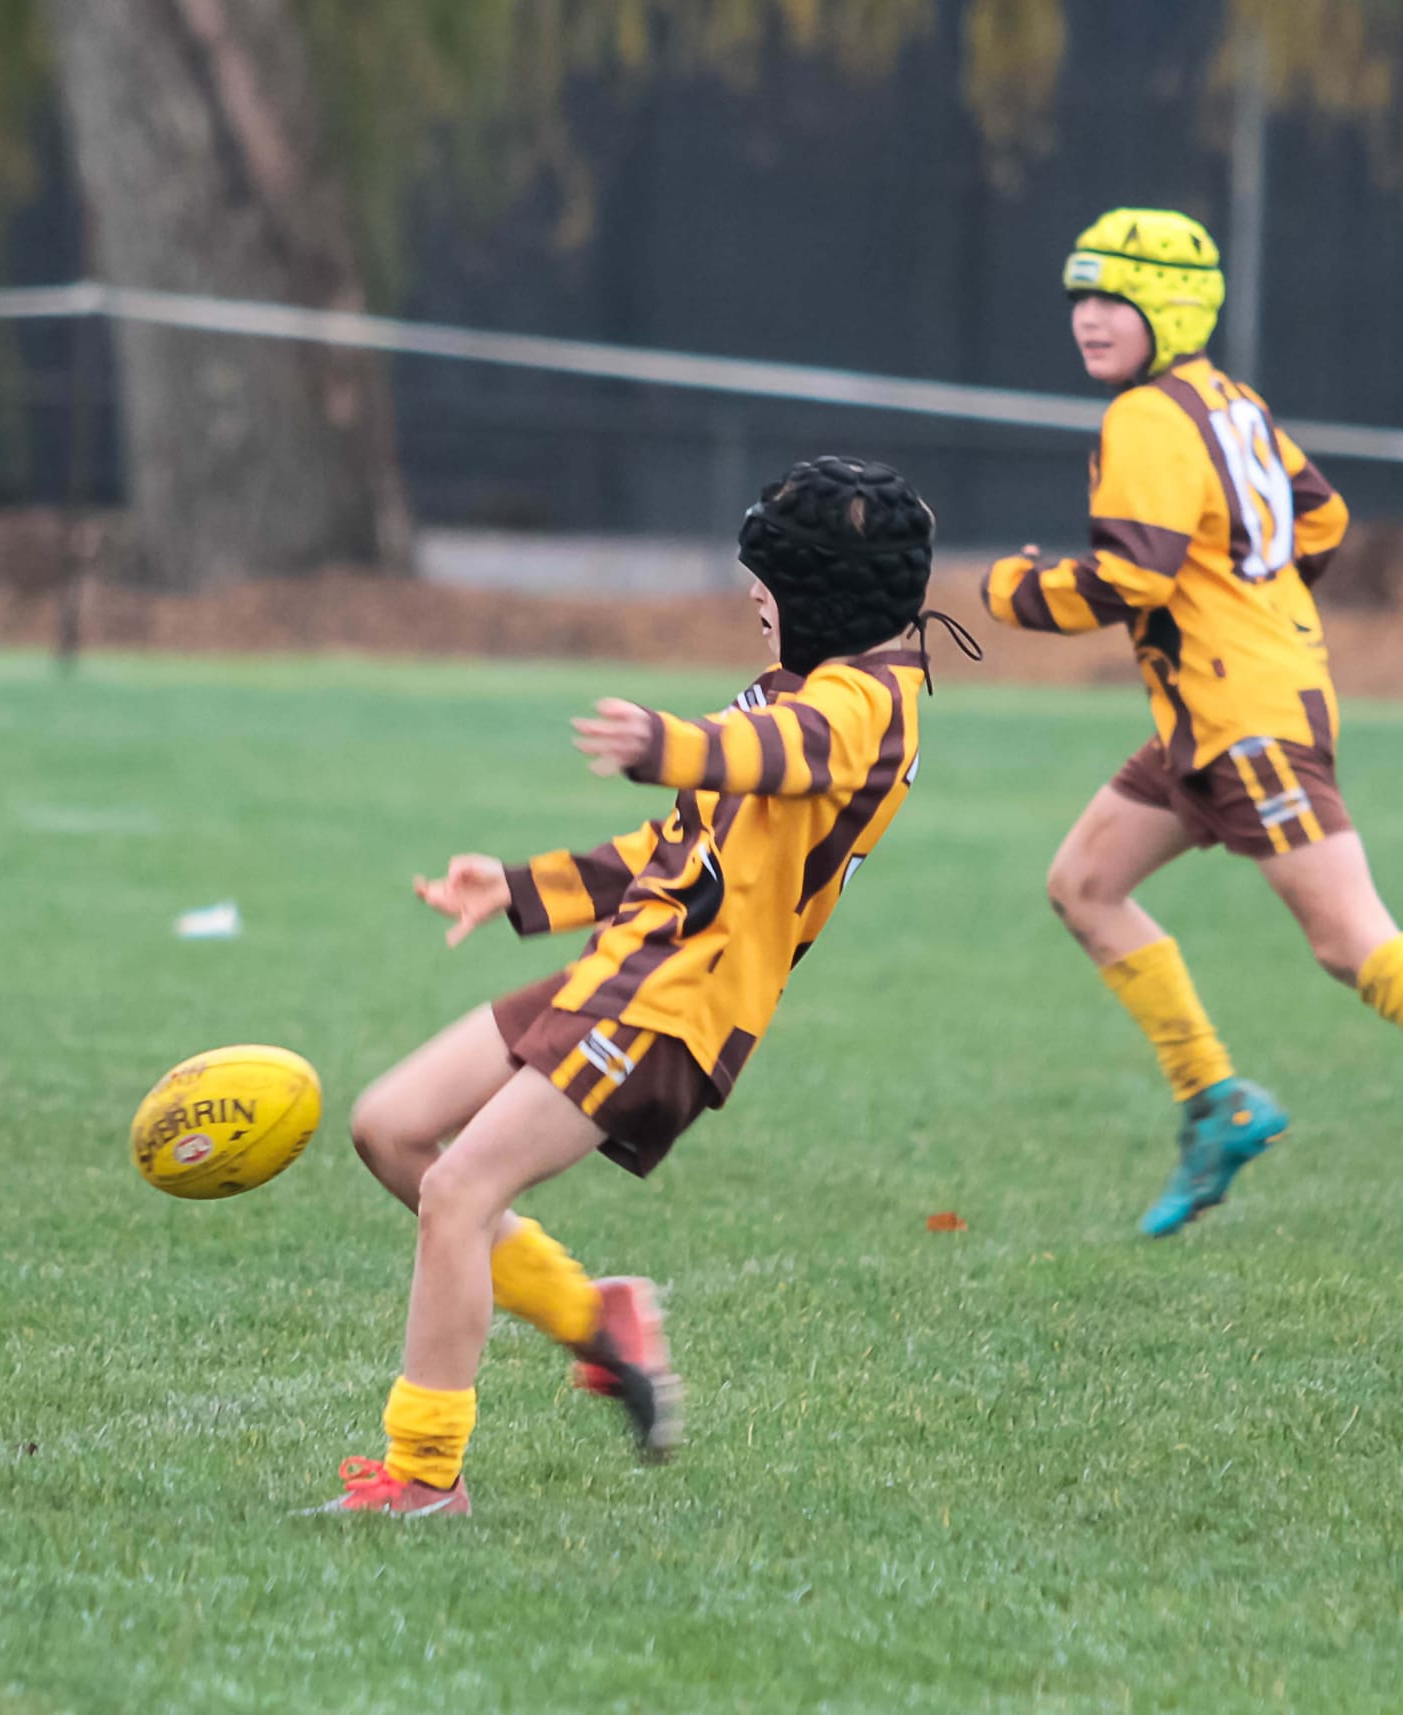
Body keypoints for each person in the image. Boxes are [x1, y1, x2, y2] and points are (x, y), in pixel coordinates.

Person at [312, 455, 972, 1517]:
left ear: (816, 594)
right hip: (621, 970)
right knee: (390, 1127)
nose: (752, 603)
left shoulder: (860, 706)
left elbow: (772, 751)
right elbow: (679, 840)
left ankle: (424, 1473)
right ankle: (600, 1319)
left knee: (459, 1190)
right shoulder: (801, 685)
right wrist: (519, 886)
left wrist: (672, 742)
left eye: (766, 587)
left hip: (675, 1005)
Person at [981, 207, 1403, 1257]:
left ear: (1165, 305)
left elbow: (1127, 575)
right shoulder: (1228, 403)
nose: (1087, 318)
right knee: (1084, 883)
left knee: (1348, 938)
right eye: (1079, 297)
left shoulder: (1145, 416)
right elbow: (1318, 517)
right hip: (1212, 712)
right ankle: (1216, 1104)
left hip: (1244, 718)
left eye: (1111, 297)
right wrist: (1252, 600)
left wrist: (1009, 589)